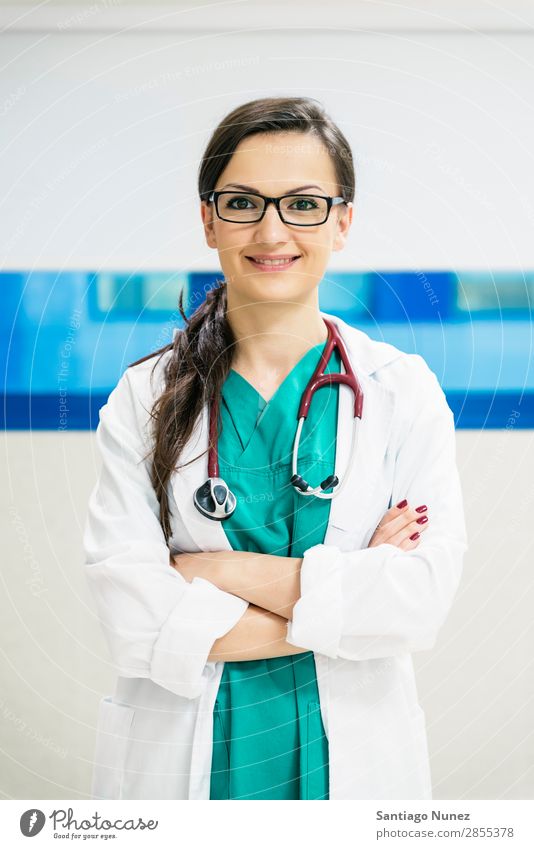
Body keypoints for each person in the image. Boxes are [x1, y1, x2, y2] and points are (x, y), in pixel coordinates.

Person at [83, 96, 468, 801]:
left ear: (343, 220)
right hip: (182, 763)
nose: (271, 229)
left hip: (351, 768)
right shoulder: (143, 398)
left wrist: (214, 569)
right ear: (208, 219)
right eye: (242, 202)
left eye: (304, 204)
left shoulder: (401, 391)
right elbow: (134, 619)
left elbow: (417, 602)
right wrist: (348, 591)